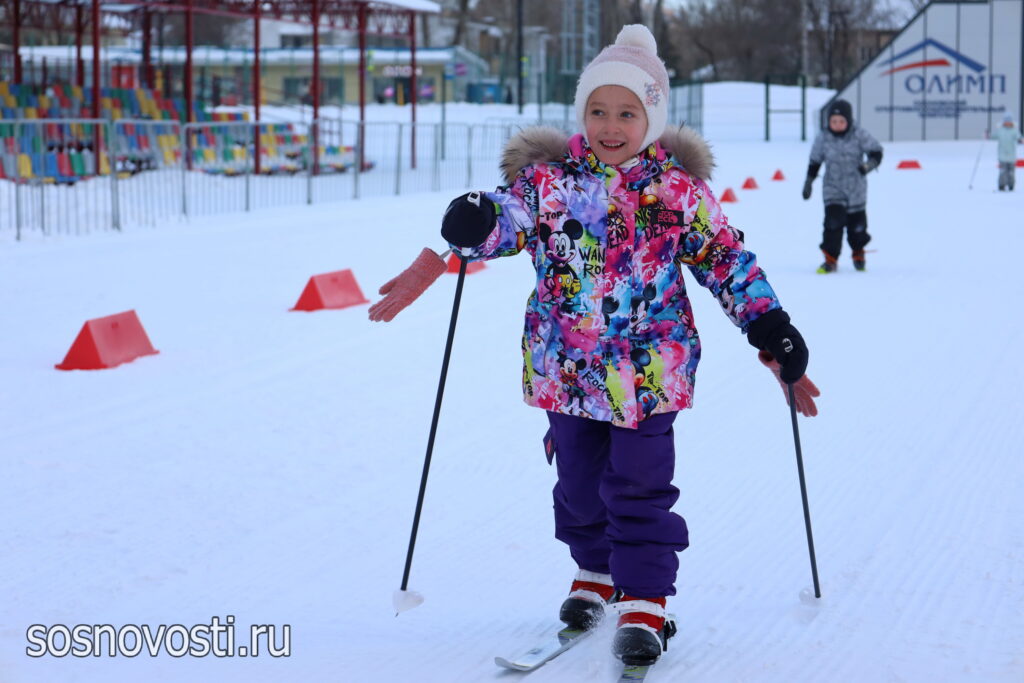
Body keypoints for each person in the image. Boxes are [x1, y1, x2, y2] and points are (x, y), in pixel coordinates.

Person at [416, 25, 820, 666]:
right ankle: (596, 572)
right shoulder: (549, 185)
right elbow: (508, 219)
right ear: (582, 115)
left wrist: (770, 326)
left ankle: (646, 599)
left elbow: (726, 260)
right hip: (567, 369)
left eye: (627, 112)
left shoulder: (677, 193)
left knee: (638, 488)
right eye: (598, 111)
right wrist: (479, 219)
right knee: (577, 488)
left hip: (649, 373)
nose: (611, 126)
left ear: (651, 118)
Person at [802, 99, 883, 273]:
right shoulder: (823, 137)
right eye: (833, 121)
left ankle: (858, 252)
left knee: (857, 227)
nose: (837, 125)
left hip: (856, 189)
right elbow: (815, 161)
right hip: (833, 188)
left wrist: (868, 166)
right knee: (833, 223)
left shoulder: (858, 134)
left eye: (841, 121)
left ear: (848, 121)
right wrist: (809, 182)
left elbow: (877, 152)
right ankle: (830, 258)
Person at [995, 112, 1023, 191]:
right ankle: (1001, 186)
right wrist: (987, 135)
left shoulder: (1014, 130)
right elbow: (994, 136)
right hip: (1002, 155)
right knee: (1003, 172)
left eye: (1009, 121)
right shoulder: (1000, 130)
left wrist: (1020, 140)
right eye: (1006, 121)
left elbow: (1018, 137)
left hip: (1011, 156)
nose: (1007, 122)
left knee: (1011, 172)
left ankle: (1011, 185)